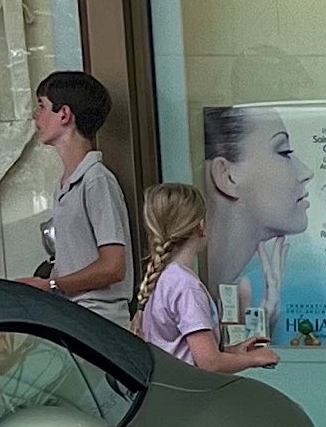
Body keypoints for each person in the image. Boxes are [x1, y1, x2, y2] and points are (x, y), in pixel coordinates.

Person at [27, 70, 134, 326]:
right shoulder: (65, 183)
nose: (35, 115)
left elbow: (113, 267)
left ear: (64, 114)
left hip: (100, 320)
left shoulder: (96, 180)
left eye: (42, 106)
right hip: (75, 317)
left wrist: (51, 285)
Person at [137, 183, 277, 372]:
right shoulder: (186, 286)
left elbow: (186, 352)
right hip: (188, 395)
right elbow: (210, 364)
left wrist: (235, 352)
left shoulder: (163, 277)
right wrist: (255, 359)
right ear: (200, 226)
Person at [200, 105, 312, 339]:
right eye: (284, 152)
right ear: (227, 176)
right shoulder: (185, 288)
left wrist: (266, 319)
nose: (306, 172)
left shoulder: (240, 292)